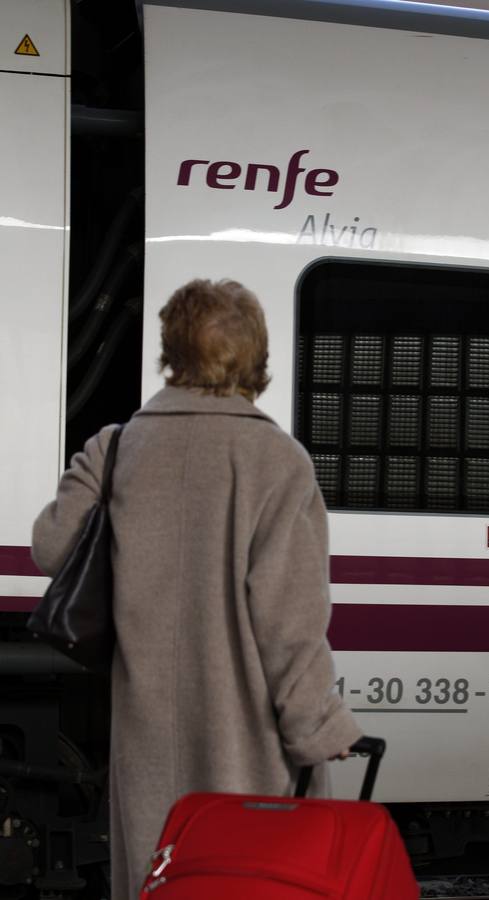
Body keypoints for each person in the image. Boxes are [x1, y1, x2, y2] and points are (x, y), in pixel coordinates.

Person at [31, 278, 362, 899]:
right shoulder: (278, 461)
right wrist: (319, 728)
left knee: (163, 879)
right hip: (250, 746)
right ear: (256, 359)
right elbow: (291, 623)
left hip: (148, 737)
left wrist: (91, 475)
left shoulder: (117, 445)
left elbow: (51, 547)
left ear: (171, 353)